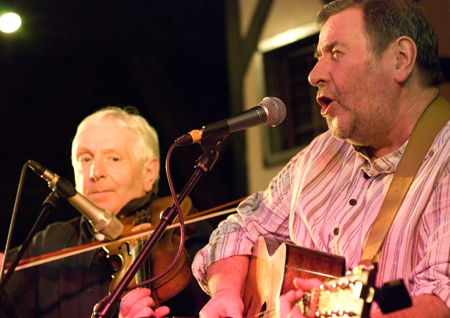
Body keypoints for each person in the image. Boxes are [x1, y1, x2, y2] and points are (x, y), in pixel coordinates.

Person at [192, 0, 450, 317]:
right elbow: (239, 229)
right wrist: (226, 293)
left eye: (336, 54)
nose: (314, 75)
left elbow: (441, 300)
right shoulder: (321, 153)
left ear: (400, 60)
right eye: (318, 58)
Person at [0, 106, 170, 318]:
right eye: (85, 159)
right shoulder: (49, 243)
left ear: (149, 172)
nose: (95, 172)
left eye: (113, 158)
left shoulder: (179, 229)